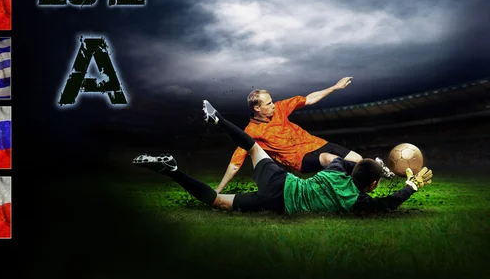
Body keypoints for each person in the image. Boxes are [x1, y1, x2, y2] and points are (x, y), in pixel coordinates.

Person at [132, 100, 433, 215]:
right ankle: (172, 170)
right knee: (216, 201)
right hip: (278, 201)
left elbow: (331, 159)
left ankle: (218, 120)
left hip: (280, 179)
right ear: (371, 186)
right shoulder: (357, 202)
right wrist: (413, 186)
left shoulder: (337, 170)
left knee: (252, 145)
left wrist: (336, 159)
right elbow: (387, 204)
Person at [217, 77, 395, 194]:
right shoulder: (251, 132)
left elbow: (308, 99)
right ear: (257, 108)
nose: (273, 105)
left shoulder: (280, 108)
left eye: (272, 101)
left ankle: (368, 181)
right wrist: (218, 190)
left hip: (316, 143)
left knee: (357, 159)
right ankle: (368, 178)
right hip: (300, 159)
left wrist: (334, 87)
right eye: (269, 103)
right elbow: (235, 163)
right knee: (329, 159)